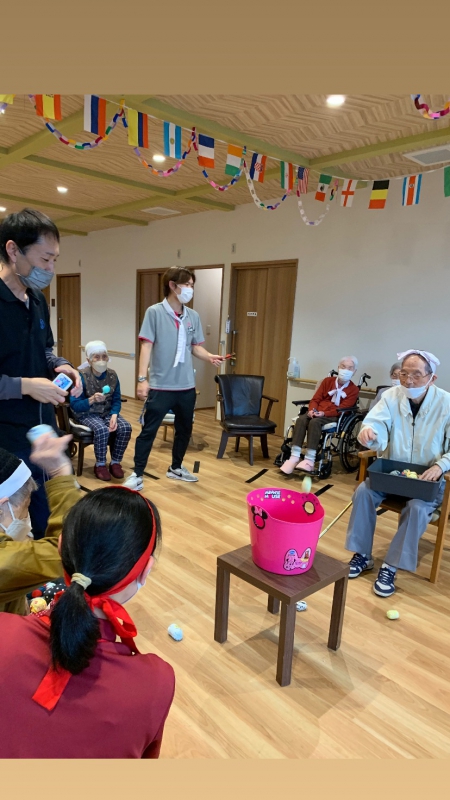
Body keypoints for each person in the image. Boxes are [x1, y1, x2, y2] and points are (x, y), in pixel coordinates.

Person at [0, 432, 175, 758]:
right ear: (146, 571)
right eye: (23, 507)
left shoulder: (4, 630)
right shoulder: (156, 682)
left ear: (62, 548)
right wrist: (61, 475)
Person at [0, 209, 82, 538]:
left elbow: (45, 349)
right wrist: (25, 386)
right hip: (7, 441)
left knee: (56, 519)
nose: (50, 269)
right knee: (14, 533)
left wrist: (61, 365)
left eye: (54, 260)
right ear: (13, 250)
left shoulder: (36, 300)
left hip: (45, 433)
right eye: (45, 259)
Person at [345, 349, 450, 598]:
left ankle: (390, 566)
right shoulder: (391, 396)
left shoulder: (446, 403)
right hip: (393, 475)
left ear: (432, 378)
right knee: (363, 491)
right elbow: (376, 424)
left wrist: (440, 466)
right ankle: (362, 554)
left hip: (426, 481)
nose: (409, 381)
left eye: (416, 375)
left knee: (416, 508)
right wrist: (370, 434)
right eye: (404, 374)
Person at [124, 266, 225, 489]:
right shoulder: (154, 312)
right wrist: (142, 379)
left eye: (192, 285)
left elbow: (194, 347)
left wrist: (209, 357)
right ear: (172, 285)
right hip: (161, 385)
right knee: (149, 430)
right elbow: (146, 346)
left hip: (186, 386)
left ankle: (176, 467)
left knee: (184, 429)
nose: (190, 289)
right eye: (186, 284)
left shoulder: (192, 316)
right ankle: (137, 473)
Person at [0, 438, 74, 615]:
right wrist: (62, 476)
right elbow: (67, 551)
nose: (26, 518)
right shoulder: (5, 562)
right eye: (25, 508)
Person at [280, 356, 359, 474]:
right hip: (318, 411)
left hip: (333, 415)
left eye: (350, 368)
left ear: (354, 371)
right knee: (302, 419)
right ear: (338, 367)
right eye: (343, 367)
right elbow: (315, 399)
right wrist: (312, 410)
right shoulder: (327, 381)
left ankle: (309, 460)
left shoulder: (353, 389)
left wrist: (324, 413)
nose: (346, 370)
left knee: (315, 422)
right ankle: (294, 457)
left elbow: (344, 409)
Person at [69, 340, 132, 481]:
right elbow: (75, 405)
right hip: (86, 413)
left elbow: (116, 399)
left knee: (125, 427)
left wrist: (114, 414)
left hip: (107, 412)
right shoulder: (81, 376)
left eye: (104, 356)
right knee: (102, 429)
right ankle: (100, 465)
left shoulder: (112, 375)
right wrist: (91, 399)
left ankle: (115, 462)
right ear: (89, 360)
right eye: (96, 357)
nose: (101, 360)